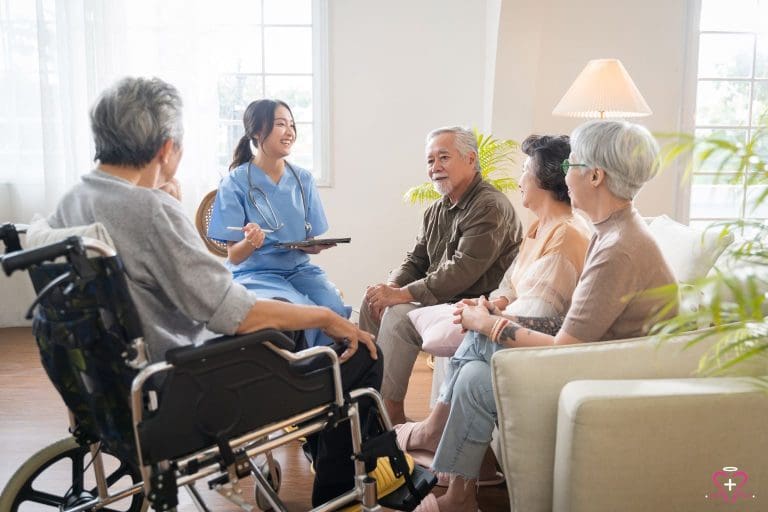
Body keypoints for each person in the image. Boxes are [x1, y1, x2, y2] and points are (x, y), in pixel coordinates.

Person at [46, 77, 381, 506]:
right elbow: (232, 312)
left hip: (110, 383)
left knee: (312, 332)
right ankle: (340, 494)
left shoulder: (68, 204)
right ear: (166, 148)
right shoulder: (152, 211)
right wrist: (326, 318)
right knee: (362, 353)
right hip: (191, 386)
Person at [405, 120, 679, 512]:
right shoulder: (612, 230)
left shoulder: (619, 247)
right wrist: (490, 318)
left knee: (482, 342)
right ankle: (459, 495)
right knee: (475, 373)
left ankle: (439, 446)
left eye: (573, 167)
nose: (564, 176)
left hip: (610, 377)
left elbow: (564, 349)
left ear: (596, 176)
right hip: (600, 359)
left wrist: (490, 323)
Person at [395, 133, 590, 488]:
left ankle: (432, 430)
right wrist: (493, 303)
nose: (518, 180)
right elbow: (511, 285)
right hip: (522, 328)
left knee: (473, 337)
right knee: (470, 370)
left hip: (543, 350)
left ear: (546, 179)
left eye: (525, 171)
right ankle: (464, 488)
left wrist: (486, 319)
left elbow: (541, 312)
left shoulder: (566, 235)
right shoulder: (540, 226)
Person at [360, 126, 523, 425]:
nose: (434, 168)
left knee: (397, 315)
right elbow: (416, 259)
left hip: (472, 305)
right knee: (372, 301)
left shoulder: (489, 206)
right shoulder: (436, 210)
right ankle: (367, 400)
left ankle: (390, 414)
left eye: (443, 158)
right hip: (442, 299)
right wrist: (392, 286)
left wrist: (400, 296)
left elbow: (461, 271)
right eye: (430, 161)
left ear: (471, 159)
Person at [207, 99, 348, 347]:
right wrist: (251, 242)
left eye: (292, 124)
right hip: (256, 274)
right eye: (280, 124)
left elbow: (308, 237)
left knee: (333, 306)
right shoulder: (234, 182)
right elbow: (235, 257)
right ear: (257, 132)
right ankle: (298, 374)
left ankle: (329, 373)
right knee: (295, 310)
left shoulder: (303, 179)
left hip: (299, 270)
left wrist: (311, 247)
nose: (290, 131)